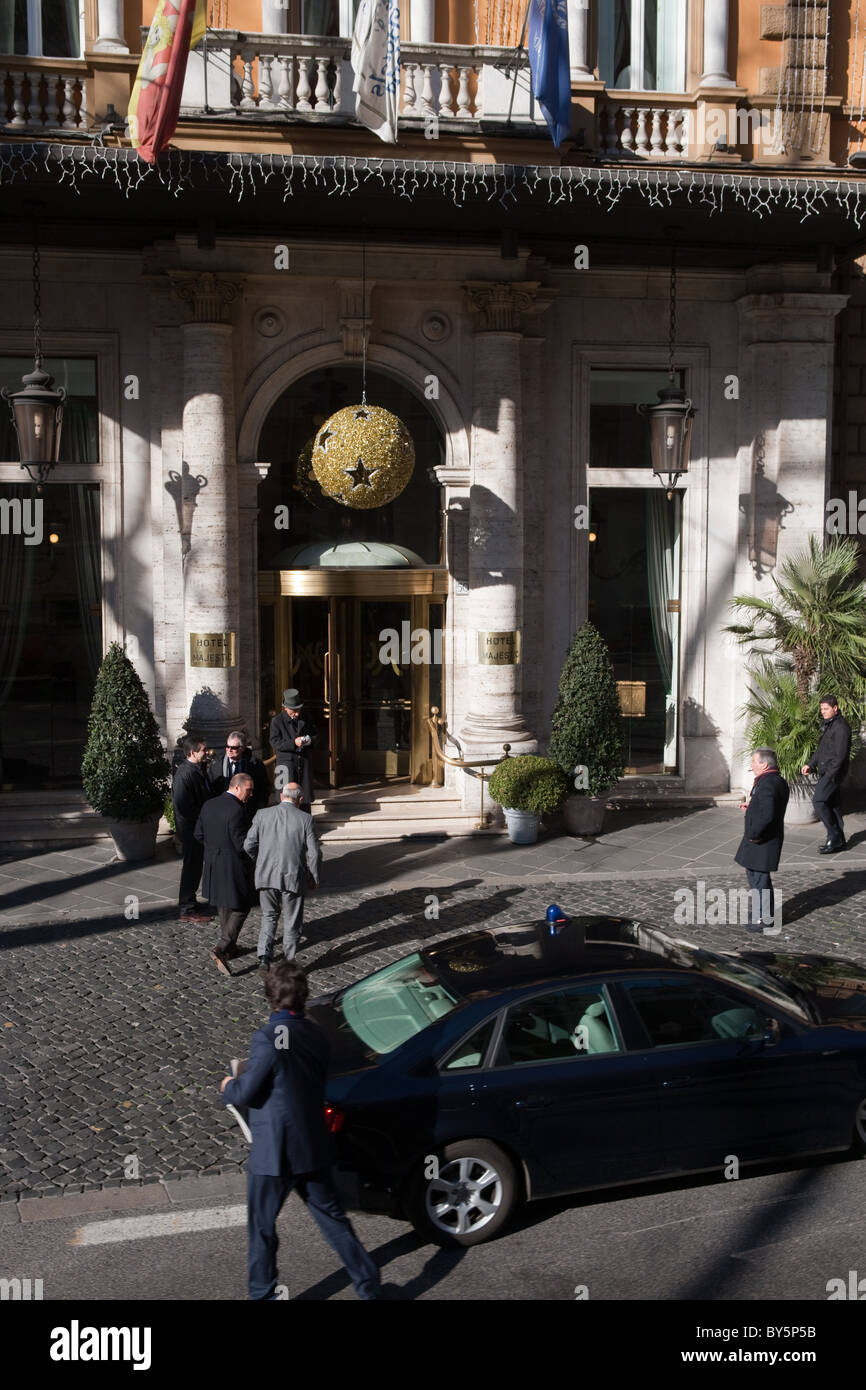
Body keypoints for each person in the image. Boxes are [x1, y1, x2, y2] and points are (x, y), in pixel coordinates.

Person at [219, 960, 382, 1301]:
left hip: (274, 1152)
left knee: (262, 1227)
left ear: (270, 997)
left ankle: (263, 1293)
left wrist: (228, 1085)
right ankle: (368, 1284)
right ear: (304, 996)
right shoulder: (317, 1035)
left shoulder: (266, 1038)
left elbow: (246, 1092)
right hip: (312, 1145)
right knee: (333, 1220)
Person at [244, 784, 322, 973]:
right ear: (300, 800)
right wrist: (313, 875)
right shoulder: (305, 819)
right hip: (293, 876)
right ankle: (288, 961)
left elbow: (248, 845)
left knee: (269, 916)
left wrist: (260, 861)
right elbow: (314, 853)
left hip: (266, 874)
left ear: (281, 796)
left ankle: (264, 957)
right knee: (292, 919)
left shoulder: (262, 814)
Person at [195, 772, 257, 976]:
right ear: (237, 787)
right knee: (242, 905)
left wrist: (215, 849)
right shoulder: (237, 810)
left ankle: (230, 947)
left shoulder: (209, 804)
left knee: (224, 905)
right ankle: (221, 947)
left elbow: (199, 834)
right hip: (232, 865)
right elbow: (241, 845)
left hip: (213, 862)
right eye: (248, 790)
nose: (251, 794)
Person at [735, 748, 789, 933]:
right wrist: (751, 807)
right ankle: (762, 914)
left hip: (762, 841)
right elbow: (767, 807)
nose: (751, 765)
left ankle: (764, 919)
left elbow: (767, 815)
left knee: (759, 881)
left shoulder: (767, 784)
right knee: (758, 879)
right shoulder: (776, 781)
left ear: (764, 764)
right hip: (765, 839)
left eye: (753, 762)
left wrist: (754, 834)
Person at [802, 694, 852, 854]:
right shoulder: (829, 725)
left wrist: (831, 775)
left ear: (835, 709)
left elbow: (840, 756)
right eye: (821, 709)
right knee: (833, 805)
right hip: (826, 771)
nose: (822, 712)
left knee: (819, 801)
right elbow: (821, 750)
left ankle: (834, 835)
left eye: (826, 709)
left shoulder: (841, 727)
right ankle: (840, 841)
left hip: (833, 773)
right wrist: (810, 764)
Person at [172, 736, 214, 923]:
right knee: (191, 867)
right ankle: (187, 908)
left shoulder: (197, 769)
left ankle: (191, 902)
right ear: (192, 753)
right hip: (191, 830)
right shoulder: (184, 774)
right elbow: (183, 807)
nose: (207, 753)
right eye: (203, 750)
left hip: (197, 827)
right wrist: (200, 821)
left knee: (195, 866)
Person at [269, 688, 318, 808]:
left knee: (304, 798)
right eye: (293, 711)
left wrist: (309, 740)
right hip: (285, 765)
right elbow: (275, 742)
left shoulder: (306, 717)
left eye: (298, 710)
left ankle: (305, 823)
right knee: (284, 797)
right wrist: (293, 743)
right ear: (285, 707)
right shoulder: (277, 721)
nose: (296, 714)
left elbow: (316, 736)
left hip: (303, 762)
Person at [209, 731, 270, 813]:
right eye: (227, 746)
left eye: (233, 748)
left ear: (242, 748)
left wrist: (259, 808)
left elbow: (263, 788)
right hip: (224, 810)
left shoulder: (255, 765)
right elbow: (212, 789)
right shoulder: (217, 764)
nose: (229, 750)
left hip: (248, 811)